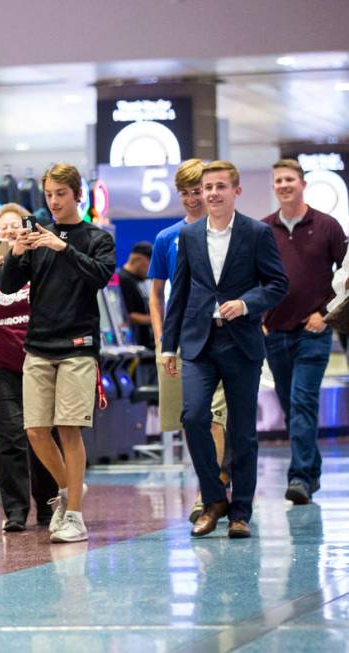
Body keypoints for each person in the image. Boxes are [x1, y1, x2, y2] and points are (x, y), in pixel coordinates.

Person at [162, 160, 288, 539]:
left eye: (220, 186)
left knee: (242, 430)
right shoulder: (190, 235)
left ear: (236, 191)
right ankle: (215, 499)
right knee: (195, 417)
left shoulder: (256, 233)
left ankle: (241, 512)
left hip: (241, 342)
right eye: (207, 187)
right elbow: (179, 292)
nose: (212, 193)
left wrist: (247, 302)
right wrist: (169, 345)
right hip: (199, 341)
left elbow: (277, 284)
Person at [0, 163, 115, 543]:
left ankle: (75, 515)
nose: (54, 201)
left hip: (78, 347)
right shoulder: (36, 239)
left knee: (68, 429)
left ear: (77, 195)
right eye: (49, 195)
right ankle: (69, 491)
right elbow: (7, 285)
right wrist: (17, 252)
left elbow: (98, 275)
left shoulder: (96, 238)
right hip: (38, 346)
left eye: (60, 194)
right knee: (35, 430)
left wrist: (62, 247)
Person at [0, 203, 58, 532]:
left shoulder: (39, 265)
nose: (8, 232)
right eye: (2, 228)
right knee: (11, 435)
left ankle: (49, 507)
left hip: (39, 361)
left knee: (42, 433)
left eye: (15, 226)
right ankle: (16, 511)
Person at [148, 159, 230, 524]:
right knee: (190, 418)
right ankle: (213, 481)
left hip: (220, 336)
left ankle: (207, 493)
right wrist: (160, 337)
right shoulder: (168, 238)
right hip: (180, 340)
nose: (192, 199)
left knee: (214, 418)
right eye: (185, 193)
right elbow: (157, 292)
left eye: (197, 191)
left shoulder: (228, 233)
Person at [262, 159, 347, 505]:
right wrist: (260, 318)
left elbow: (346, 275)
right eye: (279, 180)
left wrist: (325, 314)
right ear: (274, 187)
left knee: (302, 400)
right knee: (289, 404)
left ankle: (299, 476)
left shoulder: (327, 226)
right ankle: (310, 471)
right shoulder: (264, 229)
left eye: (290, 180)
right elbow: (254, 276)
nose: (284, 185)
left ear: (302, 184)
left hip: (313, 330)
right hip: (275, 330)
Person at [117, 241, 155, 349]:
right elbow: (128, 315)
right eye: (150, 263)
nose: (151, 268)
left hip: (150, 345)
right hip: (136, 345)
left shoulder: (145, 279)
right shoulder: (123, 279)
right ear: (137, 259)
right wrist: (158, 319)